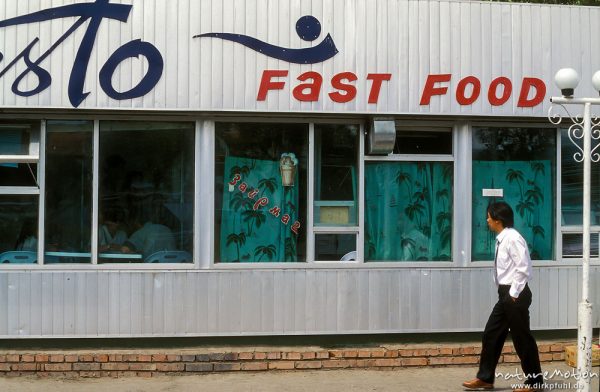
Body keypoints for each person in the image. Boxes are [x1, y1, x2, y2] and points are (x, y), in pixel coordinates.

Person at [462, 201, 543, 392]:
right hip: (506, 294)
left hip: (515, 294)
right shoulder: (503, 239)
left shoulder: (513, 238)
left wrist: (513, 294)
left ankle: (535, 382)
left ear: (498, 220)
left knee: (522, 339)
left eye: (489, 217)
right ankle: (485, 378)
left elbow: (524, 268)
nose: (487, 220)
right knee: (492, 333)